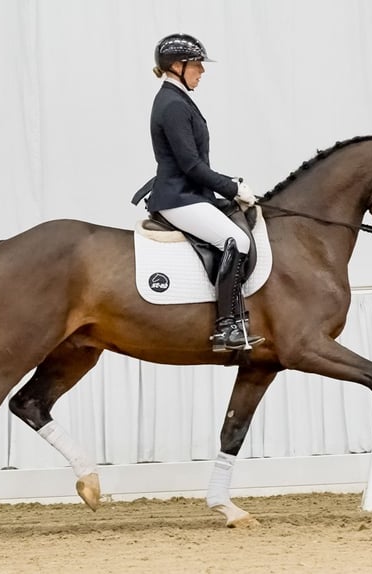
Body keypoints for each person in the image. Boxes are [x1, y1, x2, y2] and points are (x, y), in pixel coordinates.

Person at [145, 33, 264, 352]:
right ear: (176, 66)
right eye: (196, 64)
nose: (202, 70)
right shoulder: (171, 104)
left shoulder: (178, 99)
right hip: (178, 197)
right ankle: (226, 328)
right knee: (236, 240)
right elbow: (191, 166)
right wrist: (232, 187)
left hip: (190, 193)